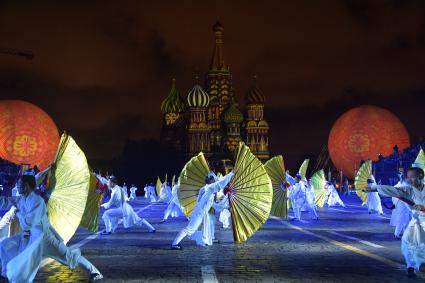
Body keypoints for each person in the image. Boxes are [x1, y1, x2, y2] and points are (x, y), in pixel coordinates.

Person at [0, 175, 102, 282]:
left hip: (45, 238)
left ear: (26, 186)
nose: (17, 186)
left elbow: (28, 223)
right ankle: (5, 274)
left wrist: (19, 213)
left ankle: (95, 272)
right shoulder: (21, 199)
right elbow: (5, 201)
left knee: (68, 256)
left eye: (19, 184)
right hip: (31, 238)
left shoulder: (37, 201)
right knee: (5, 245)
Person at [365, 167, 425, 278]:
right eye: (408, 177)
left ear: (420, 177)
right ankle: (410, 267)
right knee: (408, 242)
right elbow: (394, 191)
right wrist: (374, 188)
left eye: (412, 177)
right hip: (416, 223)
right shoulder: (408, 190)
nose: (409, 179)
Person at [171, 171, 234, 250]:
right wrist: (231, 174)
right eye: (214, 180)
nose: (215, 182)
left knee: (202, 228)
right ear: (211, 181)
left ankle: (202, 241)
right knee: (190, 229)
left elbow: (215, 206)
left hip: (202, 214)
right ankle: (174, 244)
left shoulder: (207, 190)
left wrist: (226, 207)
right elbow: (219, 184)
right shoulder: (209, 188)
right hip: (199, 213)